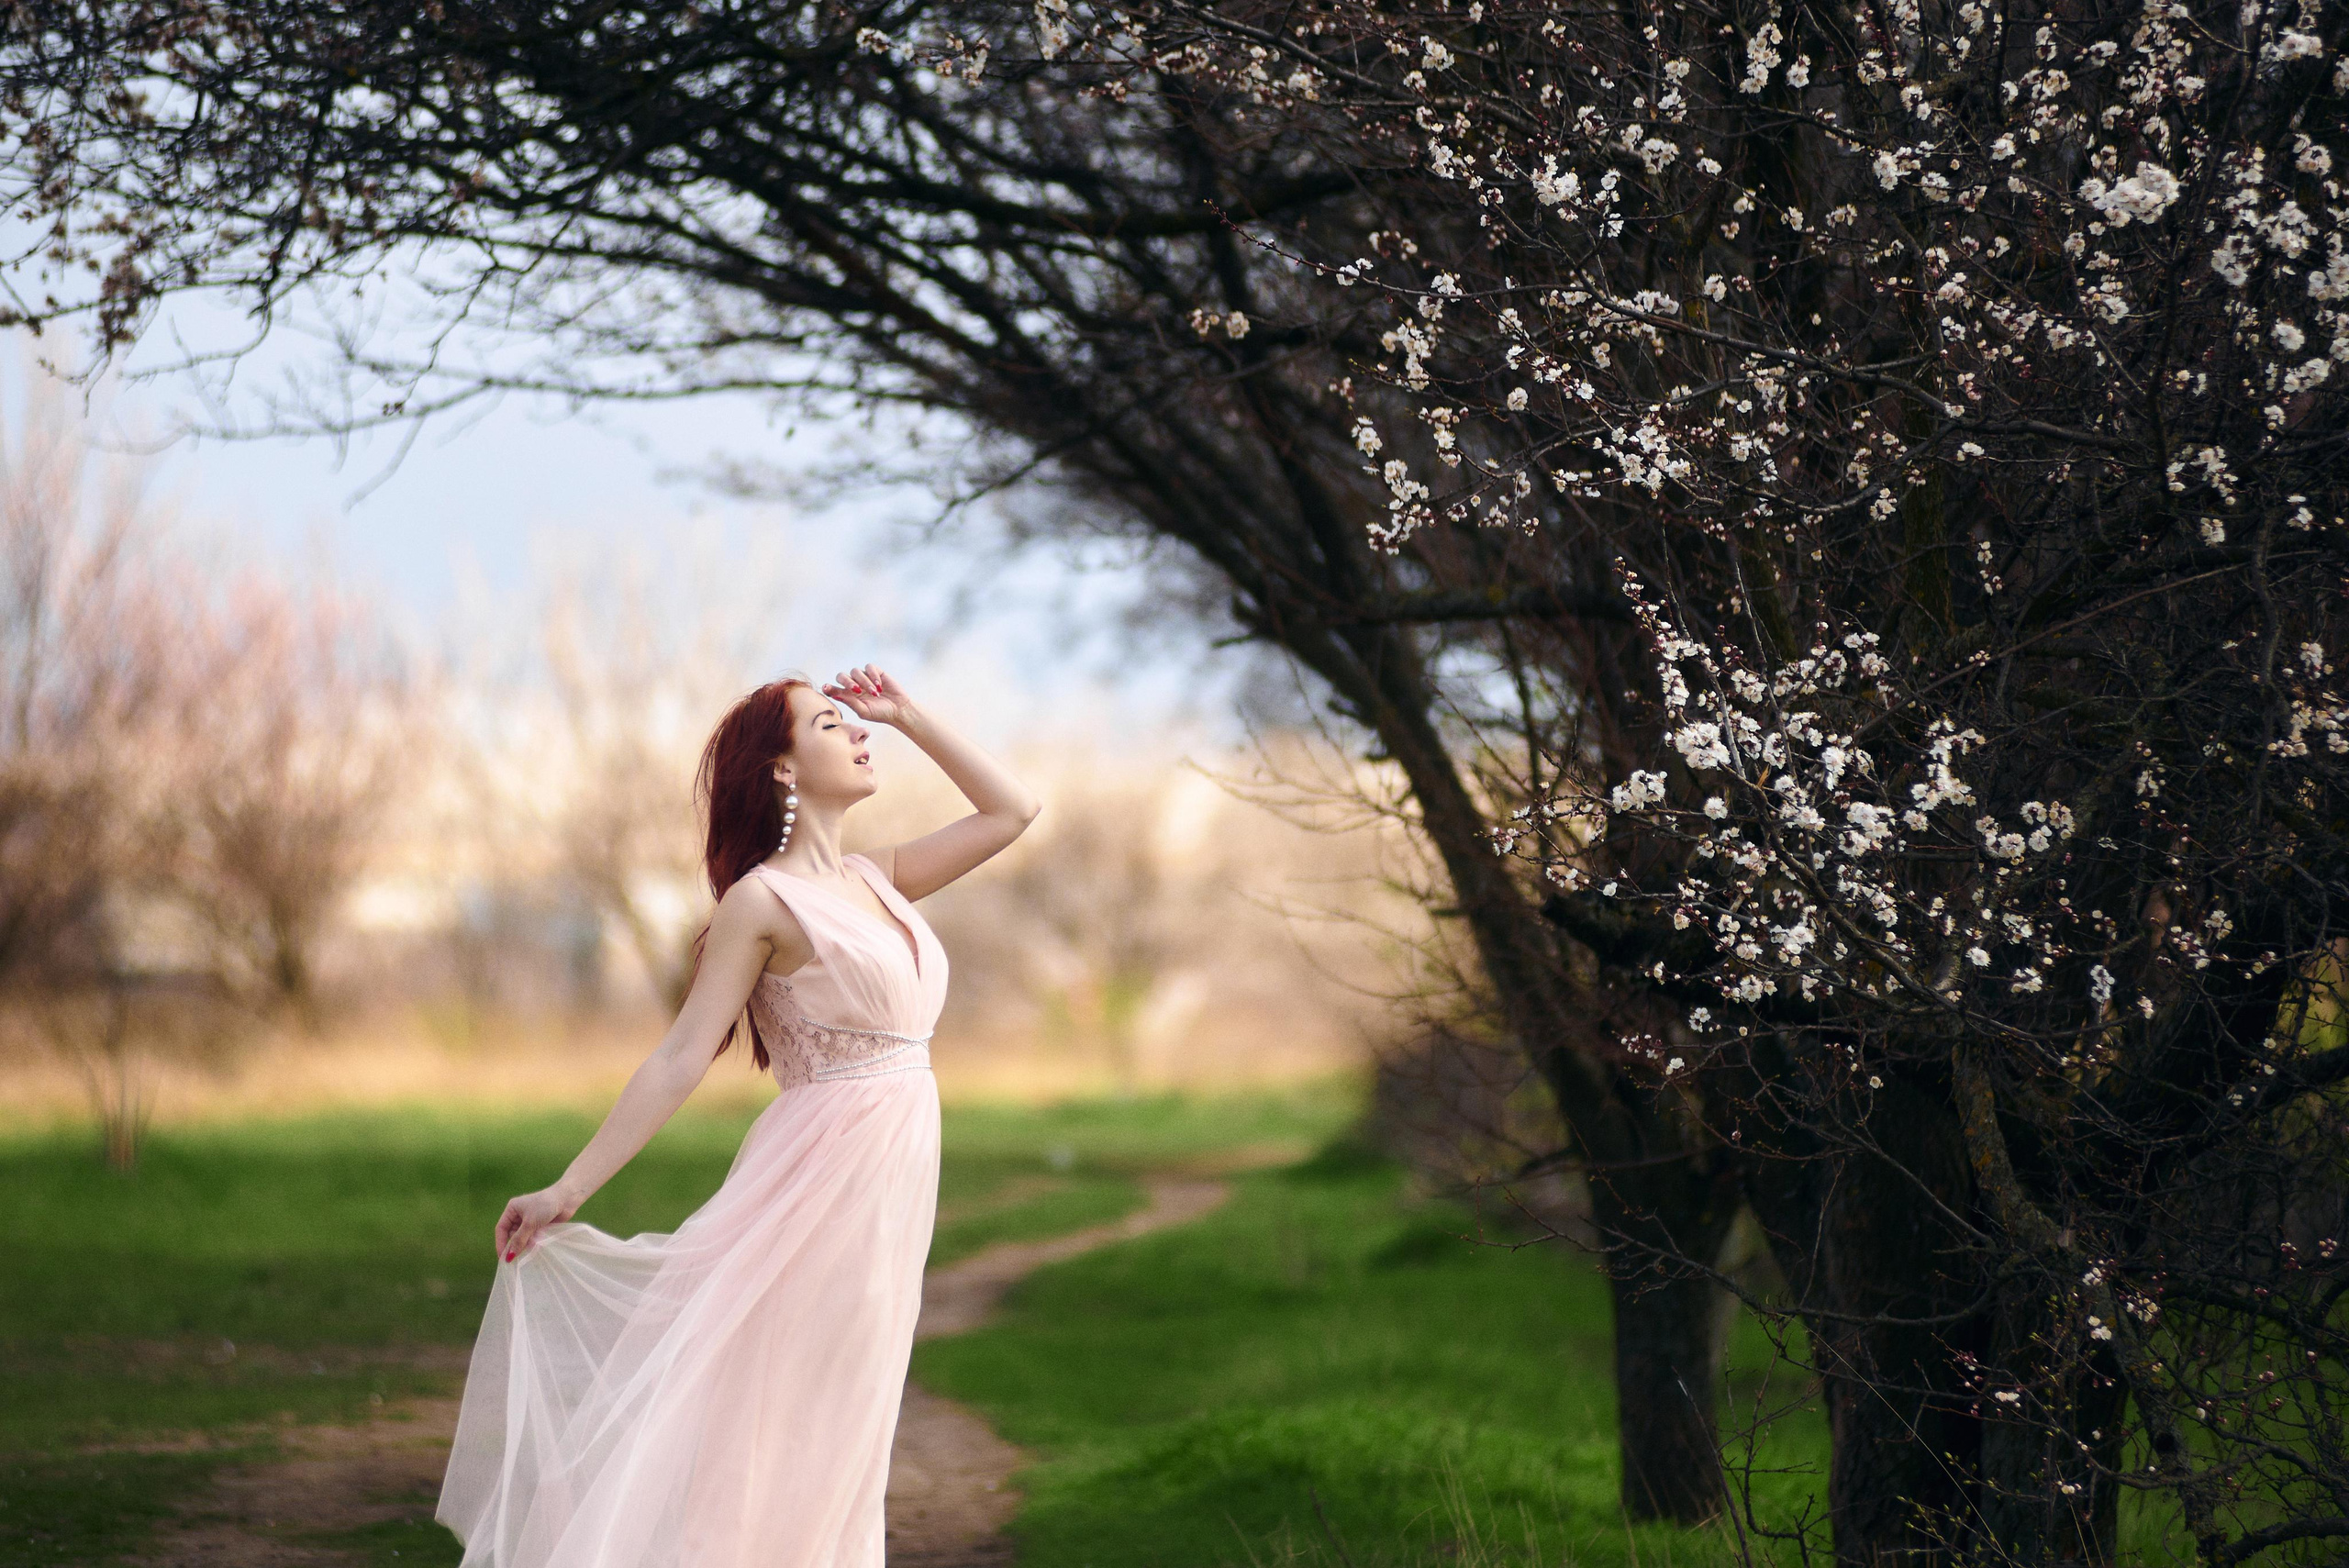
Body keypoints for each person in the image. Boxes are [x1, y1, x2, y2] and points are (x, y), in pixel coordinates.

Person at [435, 664, 1041, 1568]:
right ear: (782, 770)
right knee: (789, 1414)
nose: (857, 733)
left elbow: (1013, 810)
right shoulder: (759, 901)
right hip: (821, 1180)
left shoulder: (880, 878)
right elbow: (680, 1054)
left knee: (851, 1417)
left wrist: (909, 715)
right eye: (831, 725)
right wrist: (568, 1185)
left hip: (890, 1182)